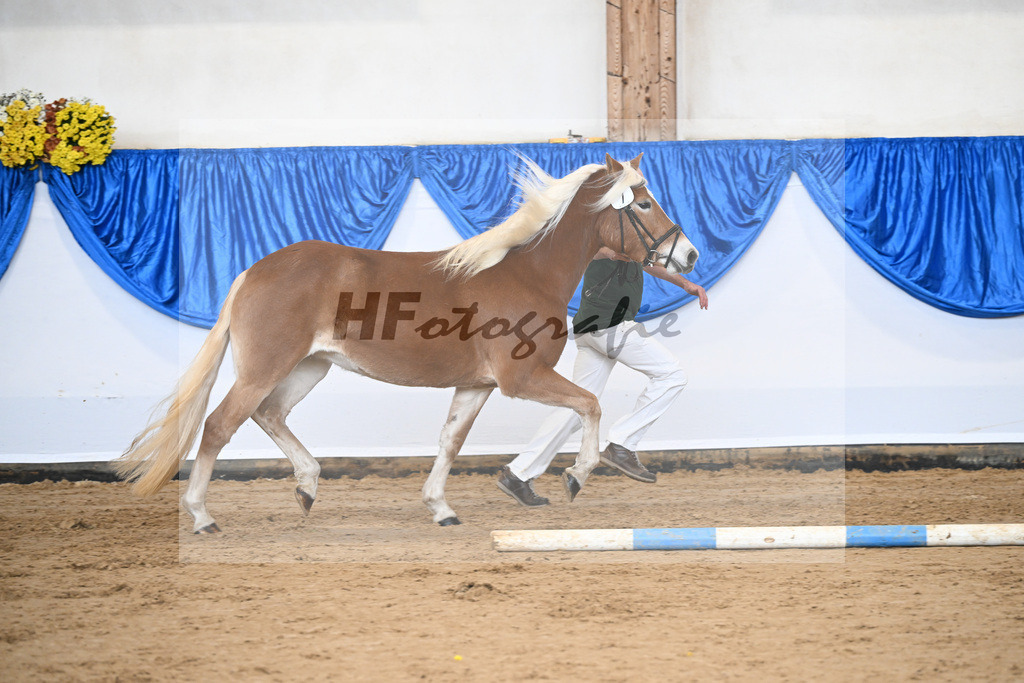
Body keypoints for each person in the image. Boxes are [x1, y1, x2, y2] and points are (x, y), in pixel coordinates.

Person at [497, 247, 709, 506]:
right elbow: (593, 251)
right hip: (611, 325)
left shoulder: (629, 232)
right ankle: (621, 444)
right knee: (672, 375)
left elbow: (648, 262)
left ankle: (517, 473)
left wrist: (687, 284)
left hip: (591, 329)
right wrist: (613, 250)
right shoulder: (608, 228)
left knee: (575, 408)